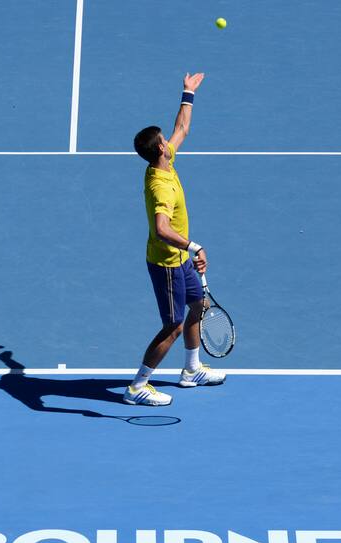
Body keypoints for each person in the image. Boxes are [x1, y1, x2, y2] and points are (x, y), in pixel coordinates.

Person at [125, 72, 226, 406]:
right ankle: (138, 385)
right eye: (164, 139)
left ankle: (191, 370)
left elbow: (182, 128)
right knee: (173, 326)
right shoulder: (160, 186)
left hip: (181, 260)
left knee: (199, 304)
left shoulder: (166, 161)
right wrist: (193, 245)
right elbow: (161, 229)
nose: (170, 139)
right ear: (160, 148)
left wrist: (188, 92)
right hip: (167, 263)